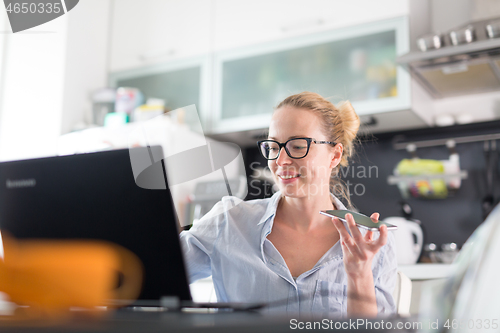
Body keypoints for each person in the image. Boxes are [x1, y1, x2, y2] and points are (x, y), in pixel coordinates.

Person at [180, 92, 397, 317]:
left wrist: (359, 275)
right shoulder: (228, 223)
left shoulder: (372, 245)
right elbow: (154, 274)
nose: (280, 161)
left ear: (334, 155)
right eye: (273, 147)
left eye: (297, 146)